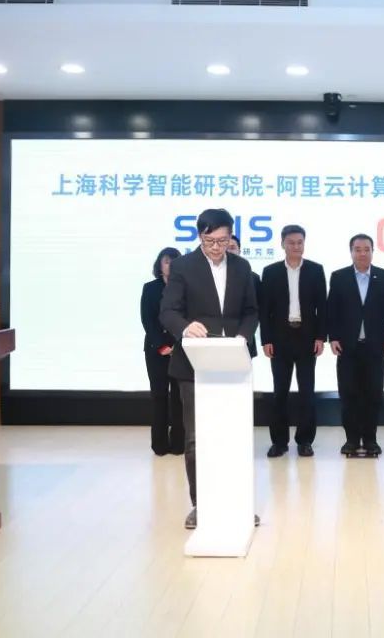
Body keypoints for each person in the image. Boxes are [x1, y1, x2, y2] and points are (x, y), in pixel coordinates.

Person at [160, 208, 259, 530]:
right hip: (194, 365)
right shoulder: (183, 267)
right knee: (196, 439)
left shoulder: (242, 267)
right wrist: (185, 327)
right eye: (210, 241)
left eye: (223, 240)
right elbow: (168, 311)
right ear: (199, 236)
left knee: (234, 436)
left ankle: (237, 503)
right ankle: (201, 505)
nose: (217, 247)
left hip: (233, 363)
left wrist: (243, 336)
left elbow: (251, 311)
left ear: (231, 236)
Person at [326, 234, 384, 457]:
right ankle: (351, 440)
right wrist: (333, 337)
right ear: (351, 252)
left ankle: (370, 440)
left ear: (373, 251)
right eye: (357, 249)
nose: (362, 253)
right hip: (347, 347)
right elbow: (332, 310)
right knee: (349, 395)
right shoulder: (339, 277)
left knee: (373, 395)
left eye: (367, 249)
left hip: (375, 346)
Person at [259, 224, 327, 458]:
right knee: (280, 392)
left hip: (307, 337)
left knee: (307, 392)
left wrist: (321, 337)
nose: (296, 246)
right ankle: (279, 442)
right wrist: (266, 339)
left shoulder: (315, 270)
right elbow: (264, 310)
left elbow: (322, 307)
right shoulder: (271, 272)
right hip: (279, 338)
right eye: (291, 242)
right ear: (282, 244)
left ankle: (305, 440)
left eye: (300, 242)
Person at [140, 247, 184, 456]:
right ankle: (159, 444)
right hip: (155, 350)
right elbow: (147, 320)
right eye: (167, 261)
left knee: (178, 398)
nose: (170, 265)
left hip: (180, 349)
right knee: (159, 396)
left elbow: (188, 318)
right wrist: (161, 345)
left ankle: (178, 443)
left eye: (175, 261)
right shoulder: (150, 288)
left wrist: (177, 344)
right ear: (160, 264)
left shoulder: (185, 288)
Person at [228, 234, 261, 359]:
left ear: (239, 250)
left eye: (232, 247)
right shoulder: (207, 276)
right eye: (225, 247)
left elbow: (257, 310)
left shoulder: (253, 278)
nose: (228, 251)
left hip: (244, 340)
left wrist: (244, 335)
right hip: (214, 339)